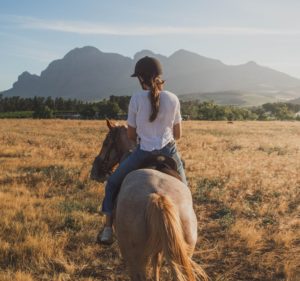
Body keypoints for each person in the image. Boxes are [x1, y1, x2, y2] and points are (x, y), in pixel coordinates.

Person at [98, 56, 187, 244]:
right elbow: (178, 135)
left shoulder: (136, 99)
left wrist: (144, 137)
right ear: (159, 76)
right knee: (185, 191)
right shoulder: (173, 98)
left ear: (140, 78)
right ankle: (187, 224)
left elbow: (131, 135)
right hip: (169, 151)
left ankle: (107, 228)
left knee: (113, 183)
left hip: (143, 152)